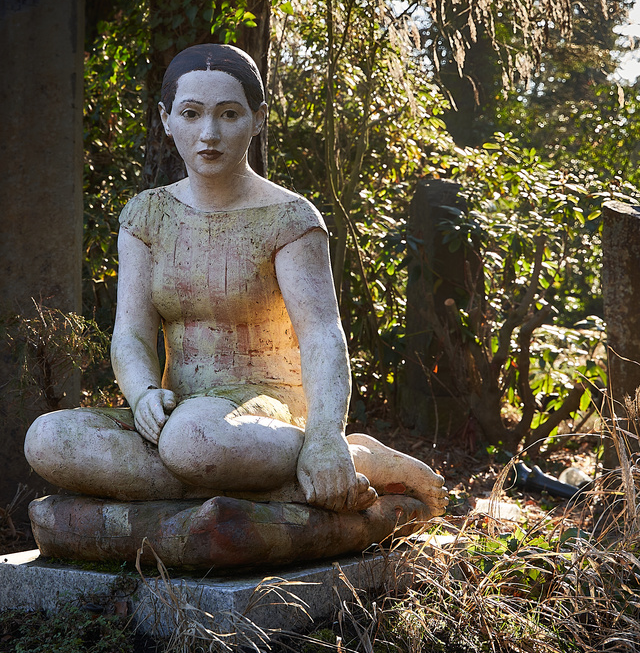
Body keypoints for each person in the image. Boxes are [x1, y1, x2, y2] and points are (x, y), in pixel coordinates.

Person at [25, 44, 447, 527]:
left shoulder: (289, 217)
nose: (209, 134)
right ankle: (310, 477)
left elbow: (321, 334)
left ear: (258, 119)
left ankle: (327, 450)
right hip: (178, 414)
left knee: (193, 442)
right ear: (166, 120)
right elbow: (132, 333)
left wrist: (325, 432)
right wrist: (142, 394)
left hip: (262, 414)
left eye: (228, 115)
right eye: (191, 113)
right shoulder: (146, 216)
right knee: (48, 438)